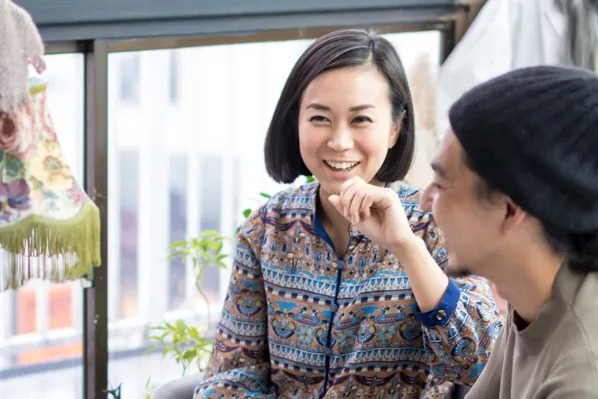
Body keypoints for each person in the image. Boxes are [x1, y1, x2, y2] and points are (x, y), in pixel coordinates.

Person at [193, 29, 503, 399]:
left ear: (394, 128)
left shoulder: (436, 222)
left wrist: (406, 247)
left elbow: (483, 362)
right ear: (296, 123)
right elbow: (232, 375)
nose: (339, 141)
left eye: (360, 120)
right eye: (320, 118)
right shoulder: (266, 228)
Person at [332, 65, 598, 398]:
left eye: (442, 184)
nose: (426, 201)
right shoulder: (535, 296)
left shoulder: (582, 378)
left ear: (510, 209)